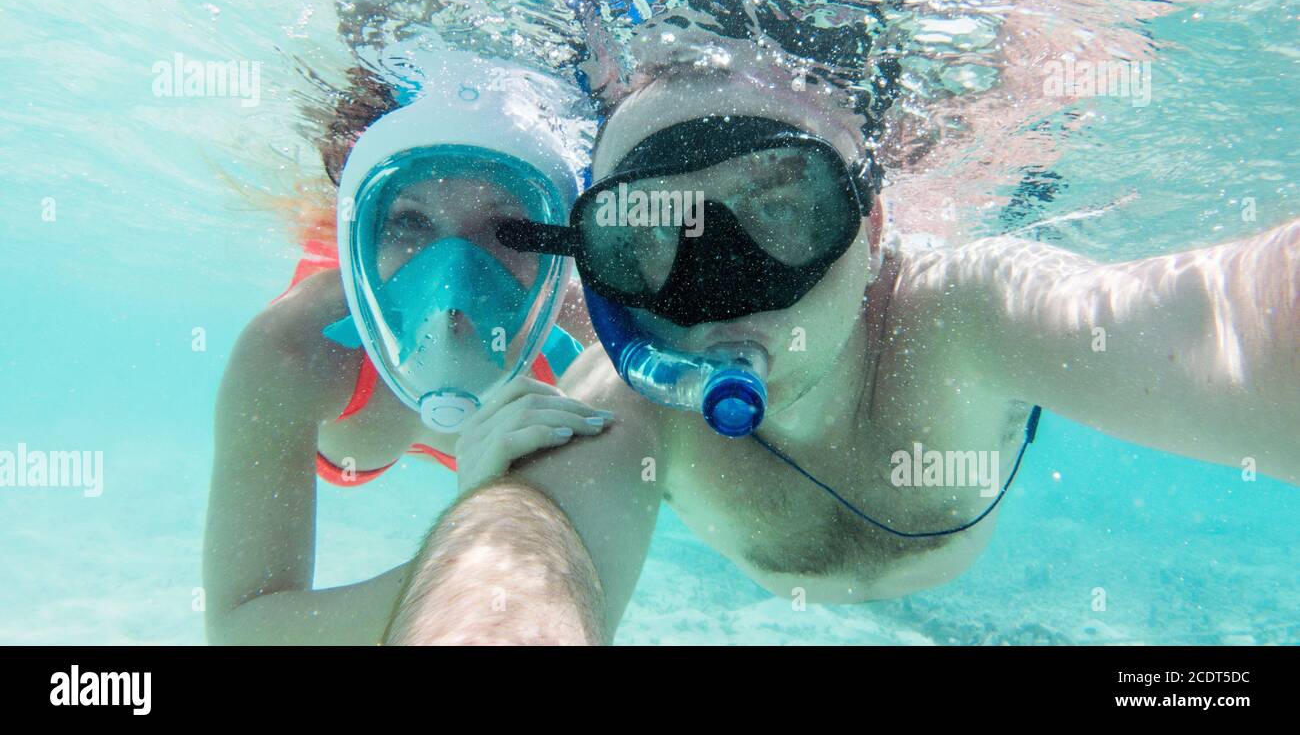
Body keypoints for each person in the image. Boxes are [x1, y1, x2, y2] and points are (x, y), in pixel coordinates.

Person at [383, 36, 1299, 645]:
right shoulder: (628, 402)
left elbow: (1238, 337)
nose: (717, 295)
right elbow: (528, 546)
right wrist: (498, 527)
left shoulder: (966, 316)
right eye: (651, 235)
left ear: (872, 227)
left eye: (781, 208)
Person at [203, 43, 611, 645]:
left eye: (507, 231)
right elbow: (241, 632)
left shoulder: (591, 342)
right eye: (409, 223)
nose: (453, 285)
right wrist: (476, 537)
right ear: (359, 236)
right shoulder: (294, 349)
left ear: (557, 255)